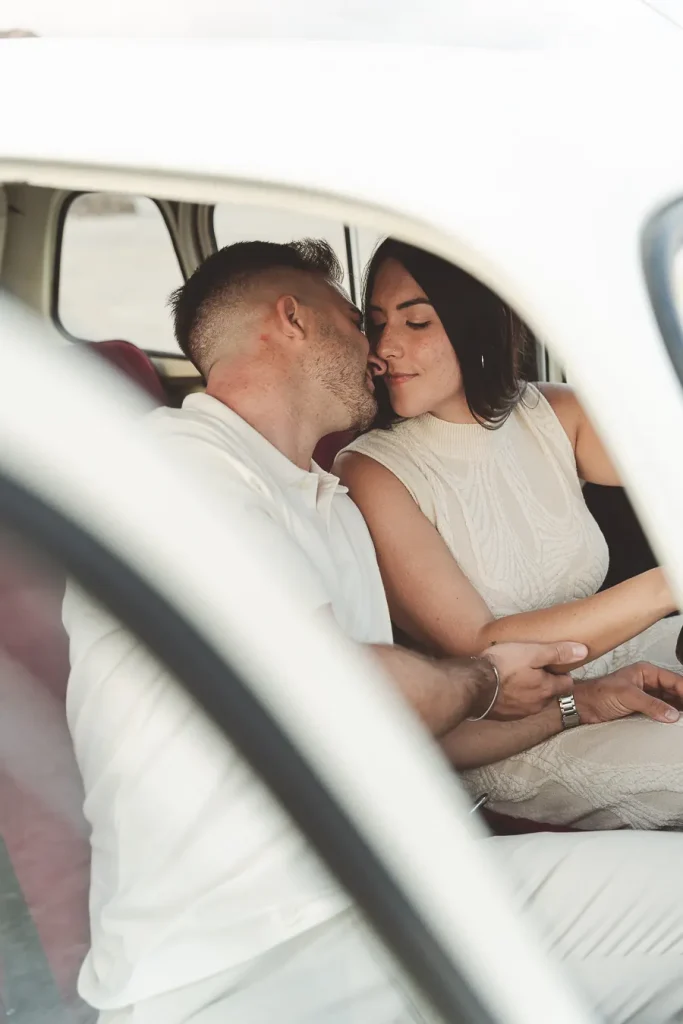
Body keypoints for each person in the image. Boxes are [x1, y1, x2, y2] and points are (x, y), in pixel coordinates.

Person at [64, 239, 683, 1024]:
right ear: (293, 320)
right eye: (357, 321)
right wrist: (486, 676)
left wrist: (578, 703)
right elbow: (351, 694)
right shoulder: (178, 473)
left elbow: (413, 738)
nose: (377, 350)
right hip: (245, 960)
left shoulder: (324, 505)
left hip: (409, 884)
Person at [336, 237, 683, 831]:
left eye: (417, 321)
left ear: (478, 325)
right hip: (510, 736)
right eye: (375, 324)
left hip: (624, 660)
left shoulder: (551, 414)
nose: (386, 348)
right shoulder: (371, 470)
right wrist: (664, 586)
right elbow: (482, 645)